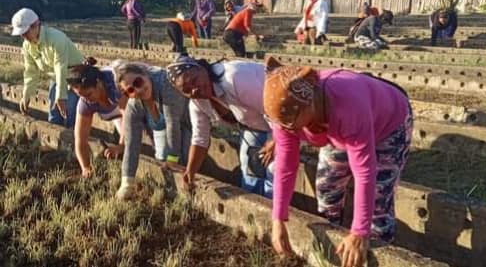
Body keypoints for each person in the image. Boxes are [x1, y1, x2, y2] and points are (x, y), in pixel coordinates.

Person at [262, 57, 413, 267]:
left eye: (291, 126)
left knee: (379, 201)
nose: (287, 131)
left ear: (309, 107)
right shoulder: (286, 115)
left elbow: (365, 173)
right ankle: (335, 245)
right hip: (336, 131)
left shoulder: (348, 105)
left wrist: (360, 232)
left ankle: (377, 253)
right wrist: (278, 219)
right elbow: (286, 166)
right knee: (327, 188)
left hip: (388, 124)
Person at [166, 53, 274, 197]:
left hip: (290, 120)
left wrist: (276, 142)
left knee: (274, 172)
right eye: (187, 90)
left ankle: (277, 214)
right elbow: (200, 139)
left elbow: (276, 110)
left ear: (202, 68)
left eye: (194, 80)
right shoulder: (197, 103)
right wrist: (190, 171)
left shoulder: (235, 78)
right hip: (256, 127)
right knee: (250, 172)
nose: (194, 89)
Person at [113, 61, 191, 200]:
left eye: (138, 82)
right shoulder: (134, 106)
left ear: (145, 74)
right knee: (163, 162)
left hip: (186, 123)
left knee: (182, 161)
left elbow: (173, 123)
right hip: (162, 130)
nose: (138, 90)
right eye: (130, 90)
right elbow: (131, 144)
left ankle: (187, 197)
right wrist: (126, 183)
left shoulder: (167, 85)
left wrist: (173, 159)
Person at [11, 8, 84, 128]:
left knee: (70, 114)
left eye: (25, 32)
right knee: (54, 116)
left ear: (36, 25)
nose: (24, 37)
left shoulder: (56, 39)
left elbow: (60, 67)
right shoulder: (27, 46)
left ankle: (73, 142)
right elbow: (30, 71)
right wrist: (26, 95)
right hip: (56, 78)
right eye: (21, 34)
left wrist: (61, 96)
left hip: (75, 77)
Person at [66, 58, 129, 178]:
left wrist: (121, 145)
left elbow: (129, 116)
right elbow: (80, 139)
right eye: (81, 96)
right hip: (119, 112)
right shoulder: (85, 102)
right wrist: (85, 167)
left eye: (89, 94)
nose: (86, 99)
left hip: (142, 100)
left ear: (99, 83)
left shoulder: (116, 85)